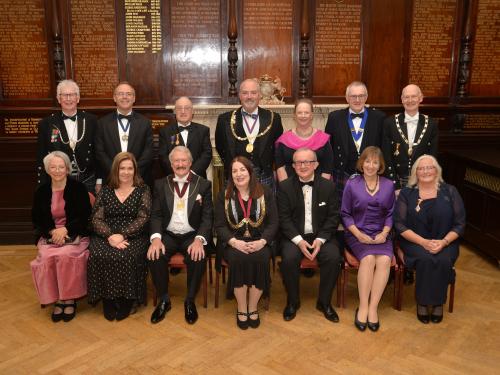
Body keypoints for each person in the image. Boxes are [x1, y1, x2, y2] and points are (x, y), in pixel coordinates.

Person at [394, 155, 465, 324]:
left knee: (442, 258)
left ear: (437, 170)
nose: (426, 171)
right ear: (415, 173)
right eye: (421, 168)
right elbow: (399, 225)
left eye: (430, 167)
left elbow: (460, 224)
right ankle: (423, 303)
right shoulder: (406, 193)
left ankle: (438, 302)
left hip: (445, 240)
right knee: (425, 258)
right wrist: (423, 242)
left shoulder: (450, 191)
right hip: (414, 241)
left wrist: (444, 242)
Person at [147, 146, 213, 325]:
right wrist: (156, 238)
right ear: (171, 164)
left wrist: (199, 240)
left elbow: (207, 218)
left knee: (198, 257)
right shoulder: (161, 184)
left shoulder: (204, 185)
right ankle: (164, 300)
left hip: (191, 234)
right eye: (176, 161)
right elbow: (156, 214)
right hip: (168, 234)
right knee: (154, 255)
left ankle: (190, 300)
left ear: (190, 162)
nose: (180, 164)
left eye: (184, 160)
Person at [278, 148, 342, 323]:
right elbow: (283, 219)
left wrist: (320, 240)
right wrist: (299, 242)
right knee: (289, 258)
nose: (303, 165)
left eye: (307, 162)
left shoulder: (329, 186)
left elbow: (333, 217)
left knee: (333, 256)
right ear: (293, 166)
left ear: (316, 165)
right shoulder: (284, 187)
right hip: (294, 237)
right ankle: (293, 302)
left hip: (321, 236)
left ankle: (324, 302)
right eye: (298, 162)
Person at [214, 156, 278, 329]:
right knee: (237, 258)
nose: (239, 174)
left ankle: (253, 307)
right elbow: (219, 226)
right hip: (233, 242)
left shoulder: (265, 191)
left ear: (250, 172)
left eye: (242, 170)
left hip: (260, 241)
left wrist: (263, 241)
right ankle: (242, 308)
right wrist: (234, 242)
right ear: (230, 175)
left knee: (260, 258)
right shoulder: (224, 195)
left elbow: (274, 223)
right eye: (234, 171)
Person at [87, 152, 151, 321]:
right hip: (106, 233)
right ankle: (108, 299)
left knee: (128, 255)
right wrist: (110, 236)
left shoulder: (143, 189)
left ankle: (127, 299)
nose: (126, 172)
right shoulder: (106, 190)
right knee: (99, 254)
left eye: (130, 168)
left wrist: (122, 235)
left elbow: (143, 218)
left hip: (133, 233)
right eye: (122, 168)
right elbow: (96, 218)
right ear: (116, 169)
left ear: (135, 170)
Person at [31, 151, 91, 322]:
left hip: (75, 233)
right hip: (50, 234)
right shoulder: (41, 191)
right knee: (47, 256)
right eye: (53, 167)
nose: (57, 170)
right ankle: (58, 298)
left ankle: (69, 298)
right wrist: (52, 231)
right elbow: (37, 219)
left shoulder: (78, 188)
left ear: (67, 169)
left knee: (65, 255)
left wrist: (66, 230)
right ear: (48, 170)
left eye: (61, 166)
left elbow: (85, 215)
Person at [341, 146, 395, 332]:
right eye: (367, 161)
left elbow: (390, 214)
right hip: (357, 233)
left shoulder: (389, 185)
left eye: (375, 162)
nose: (370, 165)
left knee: (385, 260)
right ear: (361, 163)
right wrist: (358, 234)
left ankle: (373, 308)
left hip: (381, 233)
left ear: (380, 165)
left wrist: (384, 233)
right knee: (369, 258)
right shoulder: (352, 184)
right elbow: (345, 214)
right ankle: (363, 306)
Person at [215, 78, 283, 187]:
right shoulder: (224, 119)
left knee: (264, 205)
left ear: (259, 95)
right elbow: (220, 147)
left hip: (263, 176)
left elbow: (278, 148)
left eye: (253, 93)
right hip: (235, 177)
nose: (249, 96)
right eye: (245, 93)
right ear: (240, 96)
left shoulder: (274, 118)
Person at [324, 81, 385, 203]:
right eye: (353, 96)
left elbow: (383, 148)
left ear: (366, 97)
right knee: (343, 210)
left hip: (370, 171)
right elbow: (329, 148)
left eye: (361, 96)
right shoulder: (335, 117)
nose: (357, 99)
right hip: (343, 172)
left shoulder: (379, 117)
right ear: (347, 98)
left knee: (369, 208)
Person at [36, 80, 98, 192]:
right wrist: (42, 184)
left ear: (78, 98)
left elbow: (98, 151)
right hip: (58, 179)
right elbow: (41, 155)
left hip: (88, 179)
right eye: (64, 95)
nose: (68, 99)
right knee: (62, 209)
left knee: (87, 208)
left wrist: (99, 180)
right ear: (59, 99)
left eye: (72, 95)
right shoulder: (46, 123)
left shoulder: (91, 120)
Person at [95, 82, 153, 188]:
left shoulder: (145, 123)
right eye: (120, 93)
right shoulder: (102, 123)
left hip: (138, 179)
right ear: (114, 98)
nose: (125, 97)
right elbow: (100, 152)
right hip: (110, 179)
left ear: (134, 98)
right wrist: (115, 171)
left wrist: (133, 171)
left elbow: (148, 151)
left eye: (129, 94)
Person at [382, 84, 439, 190]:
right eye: (406, 97)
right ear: (402, 100)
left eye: (414, 96)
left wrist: (426, 180)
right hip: (398, 180)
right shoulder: (390, 123)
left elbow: (433, 156)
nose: (410, 100)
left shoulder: (431, 124)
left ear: (420, 98)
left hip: (422, 180)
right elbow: (386, 155)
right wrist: (395, 185)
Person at [275, 98, 333, 182]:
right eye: (299, 112)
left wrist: (321, 190)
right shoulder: (284, 139)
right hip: (290, 187)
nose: (303, 115)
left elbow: (327, 168)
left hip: (318, 187)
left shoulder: (323, 139)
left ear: (311, 115)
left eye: (306, 112)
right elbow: (280, 167)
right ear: (294, 115)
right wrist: (286, 189)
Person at [158, 96, 212, 178]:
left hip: (197, 179)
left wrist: (192, 173)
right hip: (173, 178)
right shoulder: (165, 132)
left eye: (187, 108)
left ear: (192, 111)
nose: (183, 111)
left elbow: (207, 154)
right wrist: (178, 172)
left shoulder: (203, 130)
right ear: (175, 112)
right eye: (179, 108)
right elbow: (163, 156)